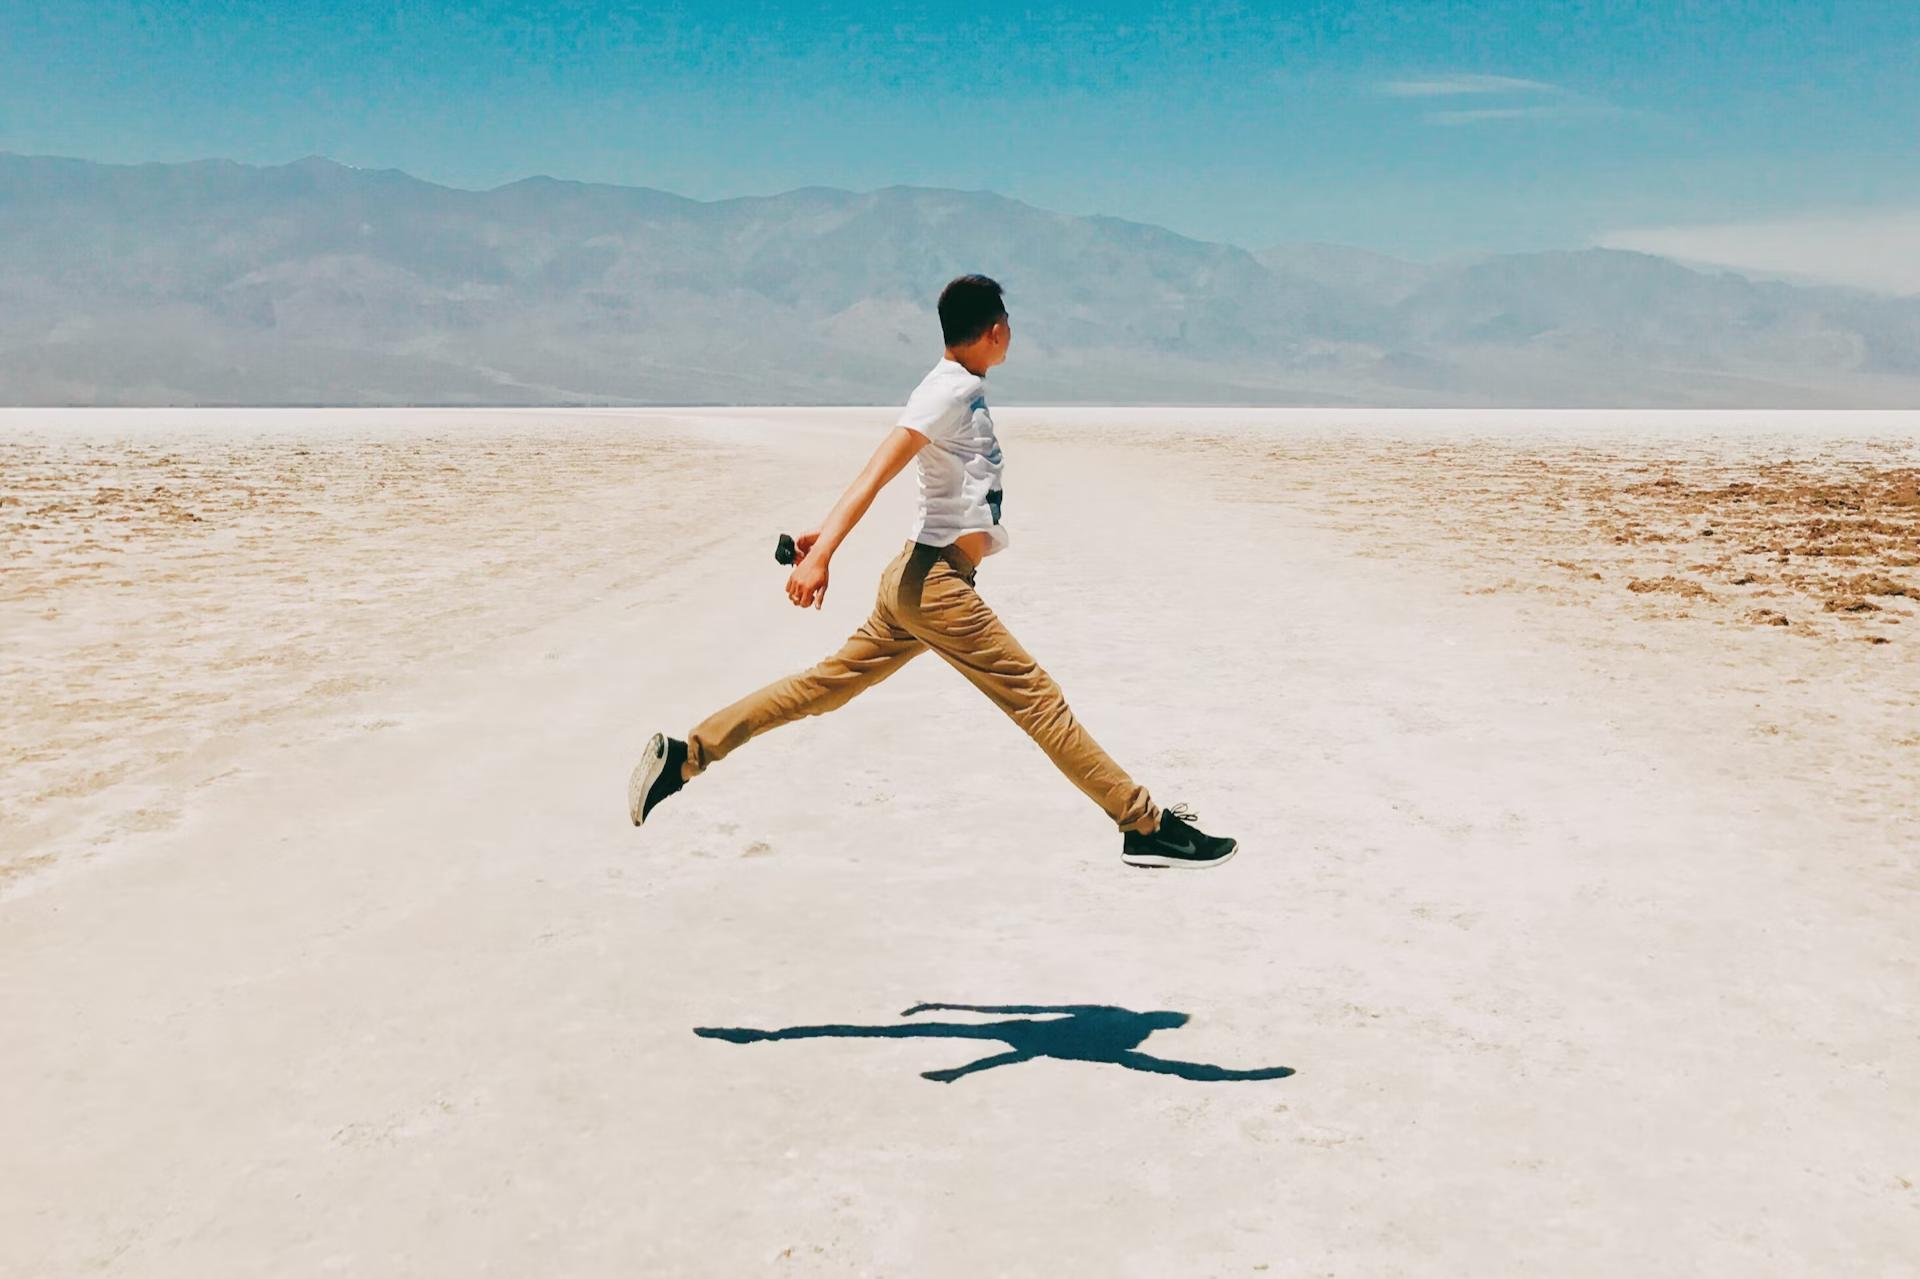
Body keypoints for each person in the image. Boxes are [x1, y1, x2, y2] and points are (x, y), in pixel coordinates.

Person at [629, 274, 1236, 868]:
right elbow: (877, 472)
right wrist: (823, 552)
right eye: (1008, 324)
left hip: (917, 581)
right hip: (936, 585)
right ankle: (1145, 825)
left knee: (822, 688)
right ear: (994, 331)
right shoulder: (945, 392)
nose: (1010, 333)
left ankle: (686, 756)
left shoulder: (958, 386)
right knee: (1038, 701)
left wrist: (824, 538)